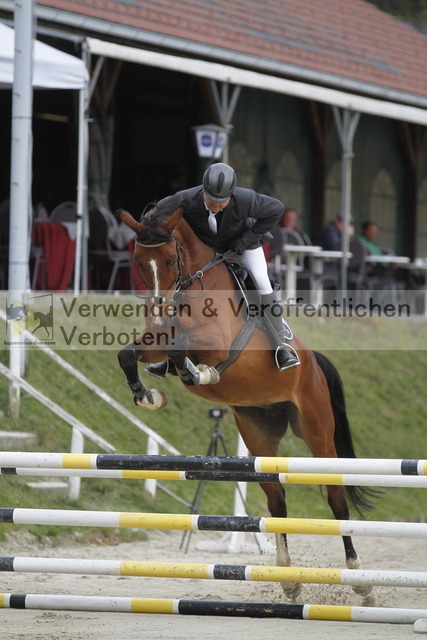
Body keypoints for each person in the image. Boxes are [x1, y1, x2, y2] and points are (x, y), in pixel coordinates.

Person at [145, 162, 300, 377]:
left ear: (232, 194)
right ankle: (171, 358)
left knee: (261, 281)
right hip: (209, 247)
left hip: (243, 245)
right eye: (211, 199)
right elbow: (156, 211)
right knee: (181, 286)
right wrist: (146, 226)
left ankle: (280, 346)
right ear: (203, 190)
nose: (216, 204)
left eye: (222, 200)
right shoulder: (187, 198)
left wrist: (245, 239)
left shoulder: (246, 199)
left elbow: (276, 209)